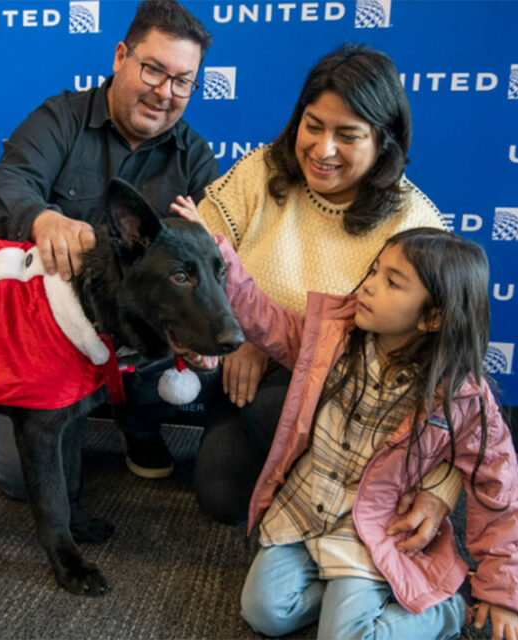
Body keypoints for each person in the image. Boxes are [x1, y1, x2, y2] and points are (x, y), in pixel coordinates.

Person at [175, 205, 518, 639]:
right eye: (374, 271)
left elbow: (499, 492)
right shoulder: (331, 337)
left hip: (371, 530)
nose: (368, 285)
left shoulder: (462, 397)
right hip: (304, 510)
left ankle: (444, 612)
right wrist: (214, 253)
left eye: (392, 282)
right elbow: (263, 317)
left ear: (432, 318)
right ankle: (353, 599)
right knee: (265, 614)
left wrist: (501, 589)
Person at [190, 44, 456, 532]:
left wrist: (443, 483)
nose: (323, 149)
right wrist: (238, 333)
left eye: (347, 135)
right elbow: (199, 252)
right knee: (221, 492)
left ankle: (342, 492)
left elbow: (454, 366)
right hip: (249, 374)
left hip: (353, 396)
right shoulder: (259, 171)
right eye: (313, 126)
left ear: (384, 142)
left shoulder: (415, 222)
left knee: (273, 411)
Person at [0, 0, 220, 498]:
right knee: (18, 480)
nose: (164, 92)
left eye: (182, 82)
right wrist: (42, 218)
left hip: (140, 339)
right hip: (48, 334)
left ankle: (140, 422)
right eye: (154, 70)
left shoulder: (195, 156)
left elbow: (214, 262)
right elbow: (2, 184)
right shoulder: (59, 119)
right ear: (121, 56)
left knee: (209, 329)